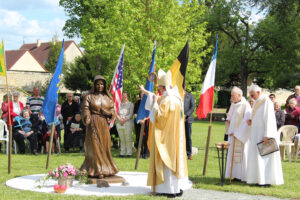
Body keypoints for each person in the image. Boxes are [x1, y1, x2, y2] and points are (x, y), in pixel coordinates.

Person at [139, 69, 188, 197]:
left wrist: (155, 103)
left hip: (165, 137)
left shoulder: (167, 101)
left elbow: (159, 119)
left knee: (165, 160)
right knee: (174, 161)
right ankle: (175, 189)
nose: (159, 90)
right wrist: (150, 96)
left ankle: (166, 189)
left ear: (163, 87)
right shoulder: (177, 99)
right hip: (175, 136)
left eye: (160, 87)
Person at [80, 75, 119, 178]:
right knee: (94, 145)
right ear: (94, 85)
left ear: (104, 85)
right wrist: (87, 117)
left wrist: (107, 112)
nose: (99, 86)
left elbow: (113, 111)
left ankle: (107, 168)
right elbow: (85, 108)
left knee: (104, 145)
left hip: (103, 124)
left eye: (101, 84)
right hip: (93, 122)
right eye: (97, 84)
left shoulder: (108, 98)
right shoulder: (89, 97)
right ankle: (96, 170)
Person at [246, 85, 283, 186]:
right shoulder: (258, 102)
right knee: (258, 156)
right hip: (256, 133)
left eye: (252, 95)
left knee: (265, 156)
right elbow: (258, 117)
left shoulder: (266, 101)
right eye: (250, 96)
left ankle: (266, 181)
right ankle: (258, 179)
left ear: (258, 93)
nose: (251, 97)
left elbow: (269, 119)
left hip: (264, 134)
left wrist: (267, 134)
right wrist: (252, 121)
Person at [225, 87, 251, 182]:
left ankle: (242, 176)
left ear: (239, 95)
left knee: (241, 155)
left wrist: (238, 133)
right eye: (231, 95)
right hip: (233, 135)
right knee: (233, 155)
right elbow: (230, 115)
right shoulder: (233, 104)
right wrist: (228, 120)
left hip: (240, 136)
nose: (231, 97)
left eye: (233, 95)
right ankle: (235, 175)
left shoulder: (245, 105)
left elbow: (246, 121)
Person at [116, 91, 134, 157]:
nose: (124, 97)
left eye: (125, 95)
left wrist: (124, 120)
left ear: (127, 96)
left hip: (128, 123)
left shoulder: (130, 104)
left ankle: (129, 153)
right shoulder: (118, 104)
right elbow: (116, 113)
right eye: (123, 95)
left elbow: (131, 114)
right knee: (122, 138)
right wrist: (120, 119)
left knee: (128, 138)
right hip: (119, 123)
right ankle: (122, 153)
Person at [133, 92, 149, 158]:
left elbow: (149, 113)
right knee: (139, 138)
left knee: (146, 138)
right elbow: (135, 113)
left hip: (146, 122)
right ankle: (140, 153)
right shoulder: (137, 102)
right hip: (139, 123)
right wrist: (138, 118)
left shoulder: (148, 102)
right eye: (141, 94)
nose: (142, 95)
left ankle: (146, 153)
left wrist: (144, 119)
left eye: (144, 93)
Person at [184, 88, 195, 160]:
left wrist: (186, 115)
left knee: (188, 137)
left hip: (188, 119)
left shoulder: (190, 95)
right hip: (178, 119)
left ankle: (189, 153)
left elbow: (192, 107)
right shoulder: (176, 95)